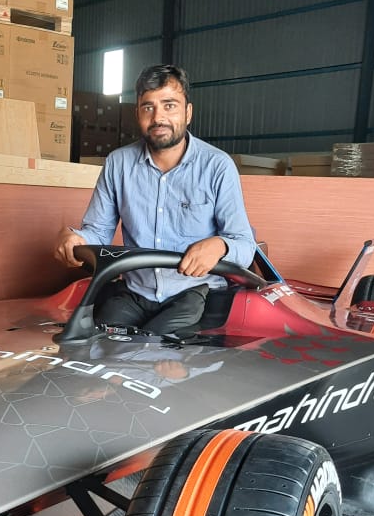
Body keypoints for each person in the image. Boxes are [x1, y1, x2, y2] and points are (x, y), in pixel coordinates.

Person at [54, 64, 257, 336]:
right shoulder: (118, 164)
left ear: (188, 113)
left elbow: (244, 244)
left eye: (169, 106)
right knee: (95, 342)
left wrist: (219, 245)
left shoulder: (217, 166)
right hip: (136, 292)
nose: (158, 117)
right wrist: (74, 238)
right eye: (148, 107)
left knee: (157, 349)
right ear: (137, 113)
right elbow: (97, 233)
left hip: (194, 292)